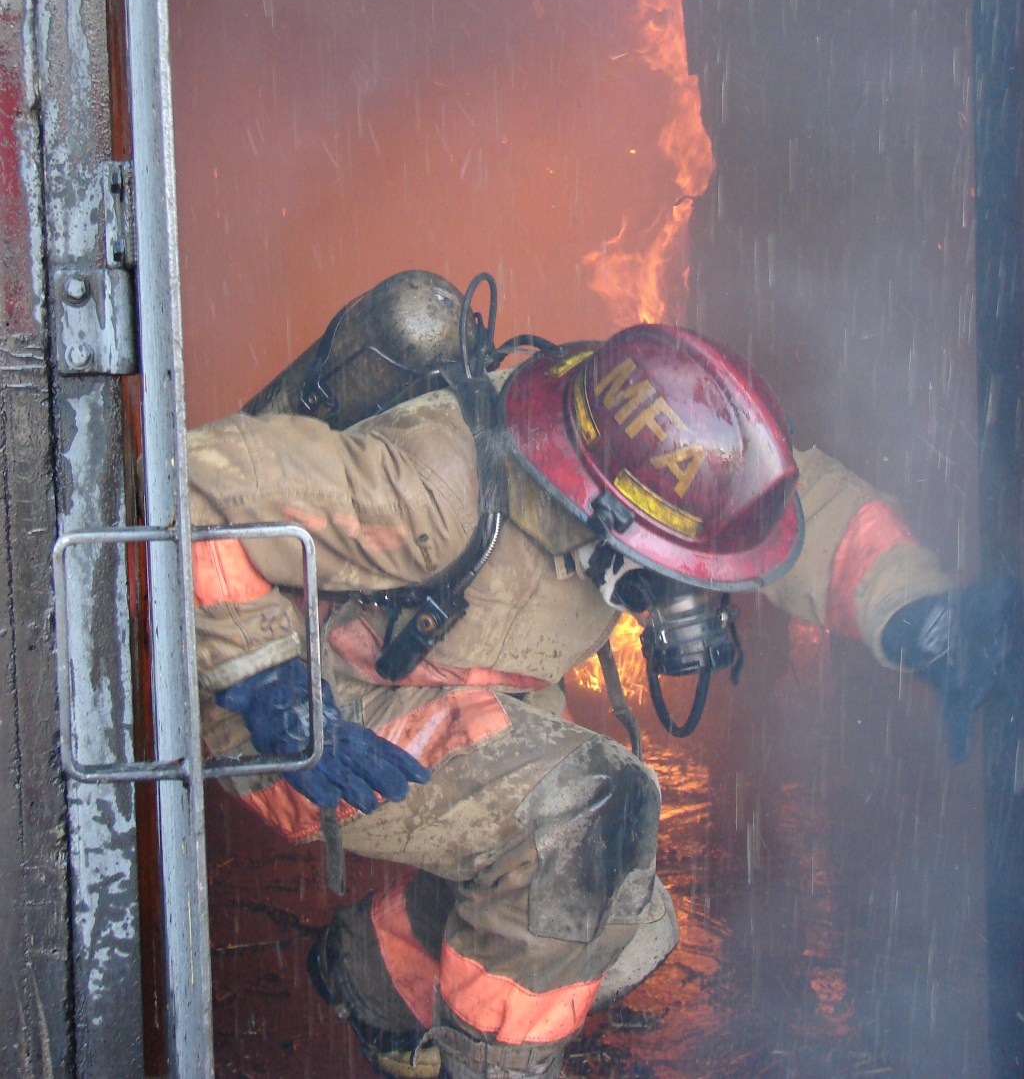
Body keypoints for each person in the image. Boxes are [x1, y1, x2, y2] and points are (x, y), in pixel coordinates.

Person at [187, 313, 1010, 1079]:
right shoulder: (436, 487)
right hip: (300, 714)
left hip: (437, 679)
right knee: (583, 820)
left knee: (622, 916)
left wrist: (917, 611)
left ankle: (376, 974)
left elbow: (788, 508)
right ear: (615, 514)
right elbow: (198, 482)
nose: (697, 594)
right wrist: (262, 671)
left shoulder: (610, 432)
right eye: (686, 571)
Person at [683, 0, 973, 552]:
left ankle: (819, 655)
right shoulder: (910, 1)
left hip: (857, 300)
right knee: (783, 516)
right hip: (794, 301)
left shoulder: (906, 2)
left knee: (808, 515)